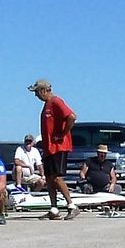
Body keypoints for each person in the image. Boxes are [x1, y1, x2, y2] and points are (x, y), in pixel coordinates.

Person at [31, 78, 76, 219]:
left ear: (44, 90)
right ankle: (54, 208)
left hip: (58, 147)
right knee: (49, 179)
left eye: (37, 92)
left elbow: (71, 116)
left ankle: (72, 205)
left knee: (57, 178)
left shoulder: (56, 101)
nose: (36, 95)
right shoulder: (46, 105)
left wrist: (62, 134)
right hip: (48, 148)